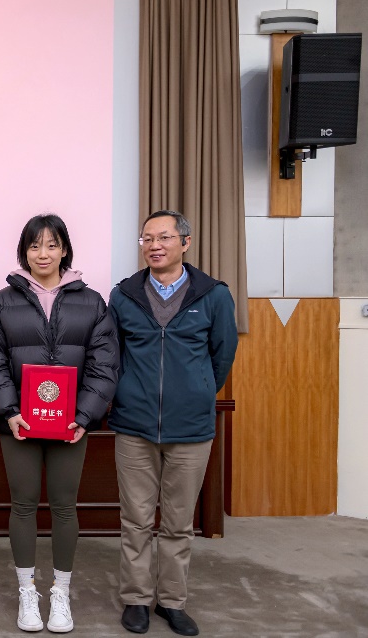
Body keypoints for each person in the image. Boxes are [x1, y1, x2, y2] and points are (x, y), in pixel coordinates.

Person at [0, 214, 118, 634]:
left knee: (64, 506)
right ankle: (27, 592)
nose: (43, 253)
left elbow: (104, 364)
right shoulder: (0, 303)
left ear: (65, 250)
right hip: (18, 424)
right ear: (24, 251)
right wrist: (9, 411)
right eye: (35, 245)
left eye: (52, 245)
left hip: (71, 425)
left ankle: (60, 592)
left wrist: (83, 415)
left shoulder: (91, 302)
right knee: (22, 505)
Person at [108, 210, 238, 637]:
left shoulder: (214, 295)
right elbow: (114, 355)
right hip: (134, 426)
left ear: (185, 242)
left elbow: (221, 355)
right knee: (136, 520)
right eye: (147, 238)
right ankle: (136, 599)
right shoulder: (124, 295)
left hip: (191, 429)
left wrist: (198, 390)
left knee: (179, 523)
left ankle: (172, 601)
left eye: (164, 237)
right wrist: (127, 393)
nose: (154, 245)